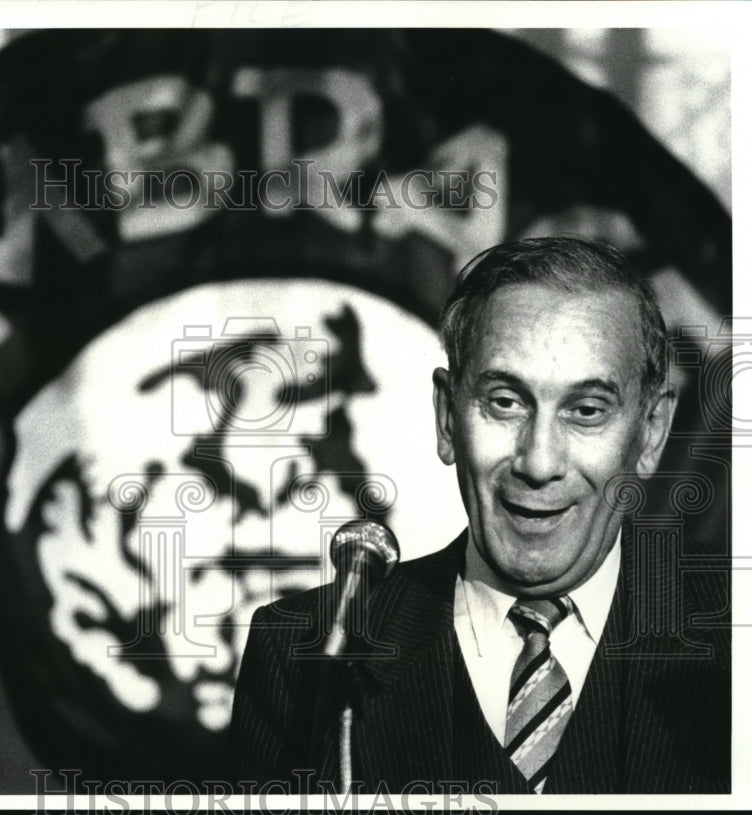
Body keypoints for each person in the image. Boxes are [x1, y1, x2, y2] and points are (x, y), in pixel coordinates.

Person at [229, 237, 730, 794]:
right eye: (505, 403)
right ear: (447, 418)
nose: (539, 463)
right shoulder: (301, 656)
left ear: (651, 432)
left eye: (586, 411)